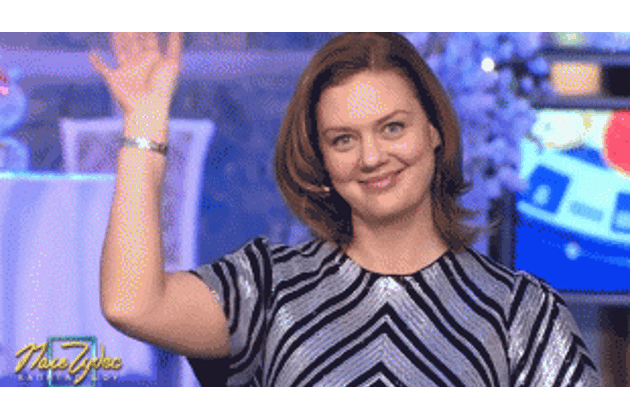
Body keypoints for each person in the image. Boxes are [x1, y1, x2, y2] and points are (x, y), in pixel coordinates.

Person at [95, 32, 602, 387]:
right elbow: (132, 304)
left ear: (434, 130)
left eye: (393, 128)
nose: (371, 157)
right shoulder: (269, 289)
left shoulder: (522, 313)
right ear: (321, 159)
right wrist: (144, 123)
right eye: (343, 139)